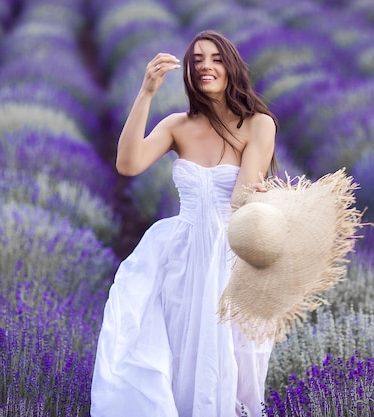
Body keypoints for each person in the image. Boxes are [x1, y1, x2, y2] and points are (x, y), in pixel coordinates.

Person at [90, 30, 278, 417]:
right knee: (175, 359)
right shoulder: (177, 125)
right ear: (188, 74)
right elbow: (128, 164)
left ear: (231, 67)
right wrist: (146, 93)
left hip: (232, 257)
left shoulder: (258, 124)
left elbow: (242, 197)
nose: (206, 66)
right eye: (196, 61)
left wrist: (264, 200)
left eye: (215, 58)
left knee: (230, 365)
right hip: (180, 260)